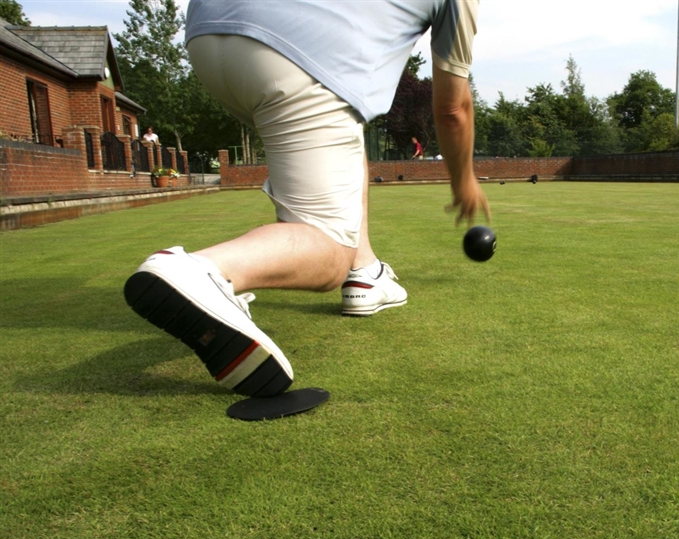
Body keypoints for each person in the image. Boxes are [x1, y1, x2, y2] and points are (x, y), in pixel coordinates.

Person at [124, 0, 490, 399]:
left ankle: (364, 272)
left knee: (342, 135)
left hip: (206, 33)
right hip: (296, 55)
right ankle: (203, 271)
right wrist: (463, 180)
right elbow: (453, 106)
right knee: (328, 251)